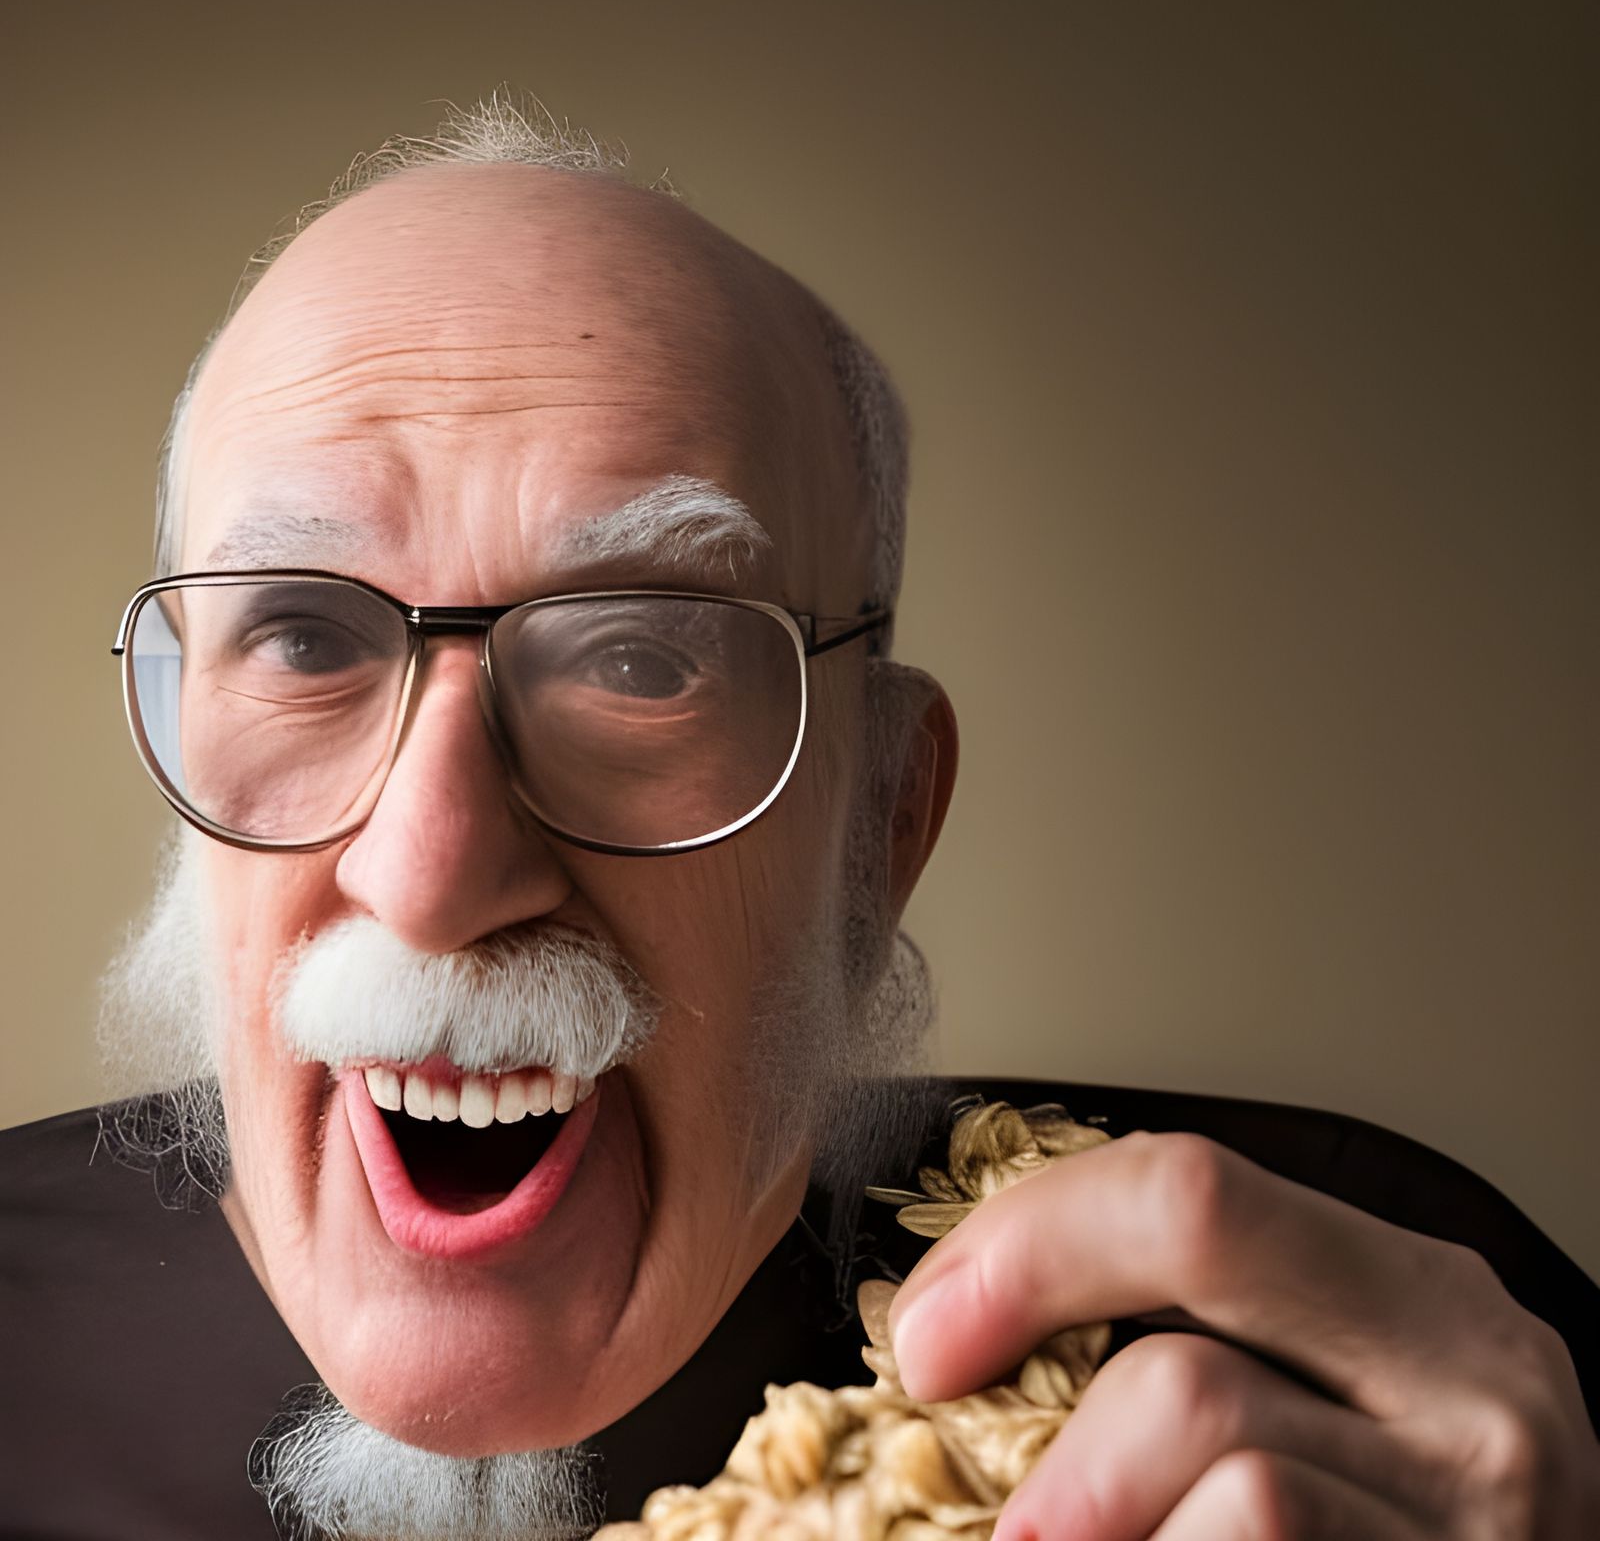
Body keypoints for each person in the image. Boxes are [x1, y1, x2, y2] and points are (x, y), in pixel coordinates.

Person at [2, 97, 1596, 1540]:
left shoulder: (1344, 1360)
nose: (430, 872)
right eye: (305, 639)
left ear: (880, 825)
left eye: (641, 655)